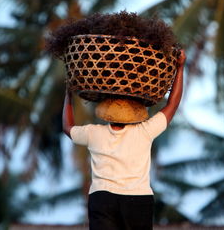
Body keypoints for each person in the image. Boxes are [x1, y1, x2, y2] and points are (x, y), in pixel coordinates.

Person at [62, 50, 186, 230]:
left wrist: (68, 94)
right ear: (134, 112)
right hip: (138, 200)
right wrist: (180, 68)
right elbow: (172, 104)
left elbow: (68, 127)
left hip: (102, 198)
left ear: (107, 112)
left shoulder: (94, 133)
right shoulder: (145, 131)